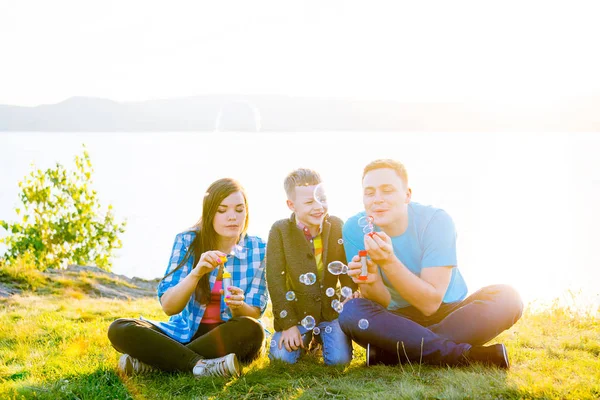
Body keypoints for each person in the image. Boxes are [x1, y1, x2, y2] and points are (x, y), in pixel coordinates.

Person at [338, 159, 523, 368]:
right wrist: (370, 282)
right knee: (351, 312)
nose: (377, 199)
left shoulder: (436, 221)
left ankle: (394, 353)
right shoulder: (355, 228)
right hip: (396, 321)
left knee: (509, 298)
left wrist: (388, 261)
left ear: (407, 194)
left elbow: (430, 304)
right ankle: (462, 355)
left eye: (387, 190)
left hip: (449, 312)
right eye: (369, 192)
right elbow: (380, 301)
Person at [108, 178, 268, 378]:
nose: (232, 217)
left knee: (252, 330)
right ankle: (201, 365)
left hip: (226, 335)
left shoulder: (260, 250)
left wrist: (238, 306)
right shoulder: (187, 241)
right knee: (120, 328)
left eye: (239, 209)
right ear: (209, 213)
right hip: (183, 332)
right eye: (222, 210)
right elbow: (169, 306)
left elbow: (253, 312)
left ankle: (160, 363)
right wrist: (196, 273)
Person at [266, 168, 357, 365]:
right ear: (292, 205)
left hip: (330, 312)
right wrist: (288, 324)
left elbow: (345, 267)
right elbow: (275, 280)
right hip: (298, 315)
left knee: (339, 360)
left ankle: (322, 339)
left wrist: (351, 293)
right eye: (309, 202)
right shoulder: (280, 230)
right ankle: (307, 338)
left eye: (322, 198)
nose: (318, 207)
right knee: (281, 359)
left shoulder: (336, 225)